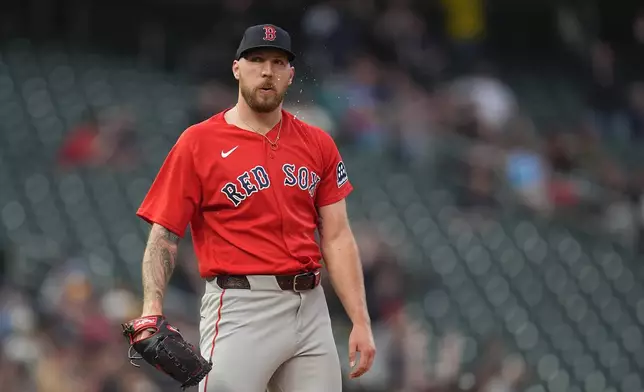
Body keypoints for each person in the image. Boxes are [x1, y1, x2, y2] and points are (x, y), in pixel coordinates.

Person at [131, 24, 376, 392]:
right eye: (256, 60)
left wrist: (360, 319)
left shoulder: (318, 143)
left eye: (278, 63)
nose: (267, 71)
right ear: (236, 68)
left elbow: (338, 236)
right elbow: (164, 234)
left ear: (290, 75)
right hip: (240, 307)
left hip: (311, 307)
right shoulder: (199, 142)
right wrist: (152, 308)